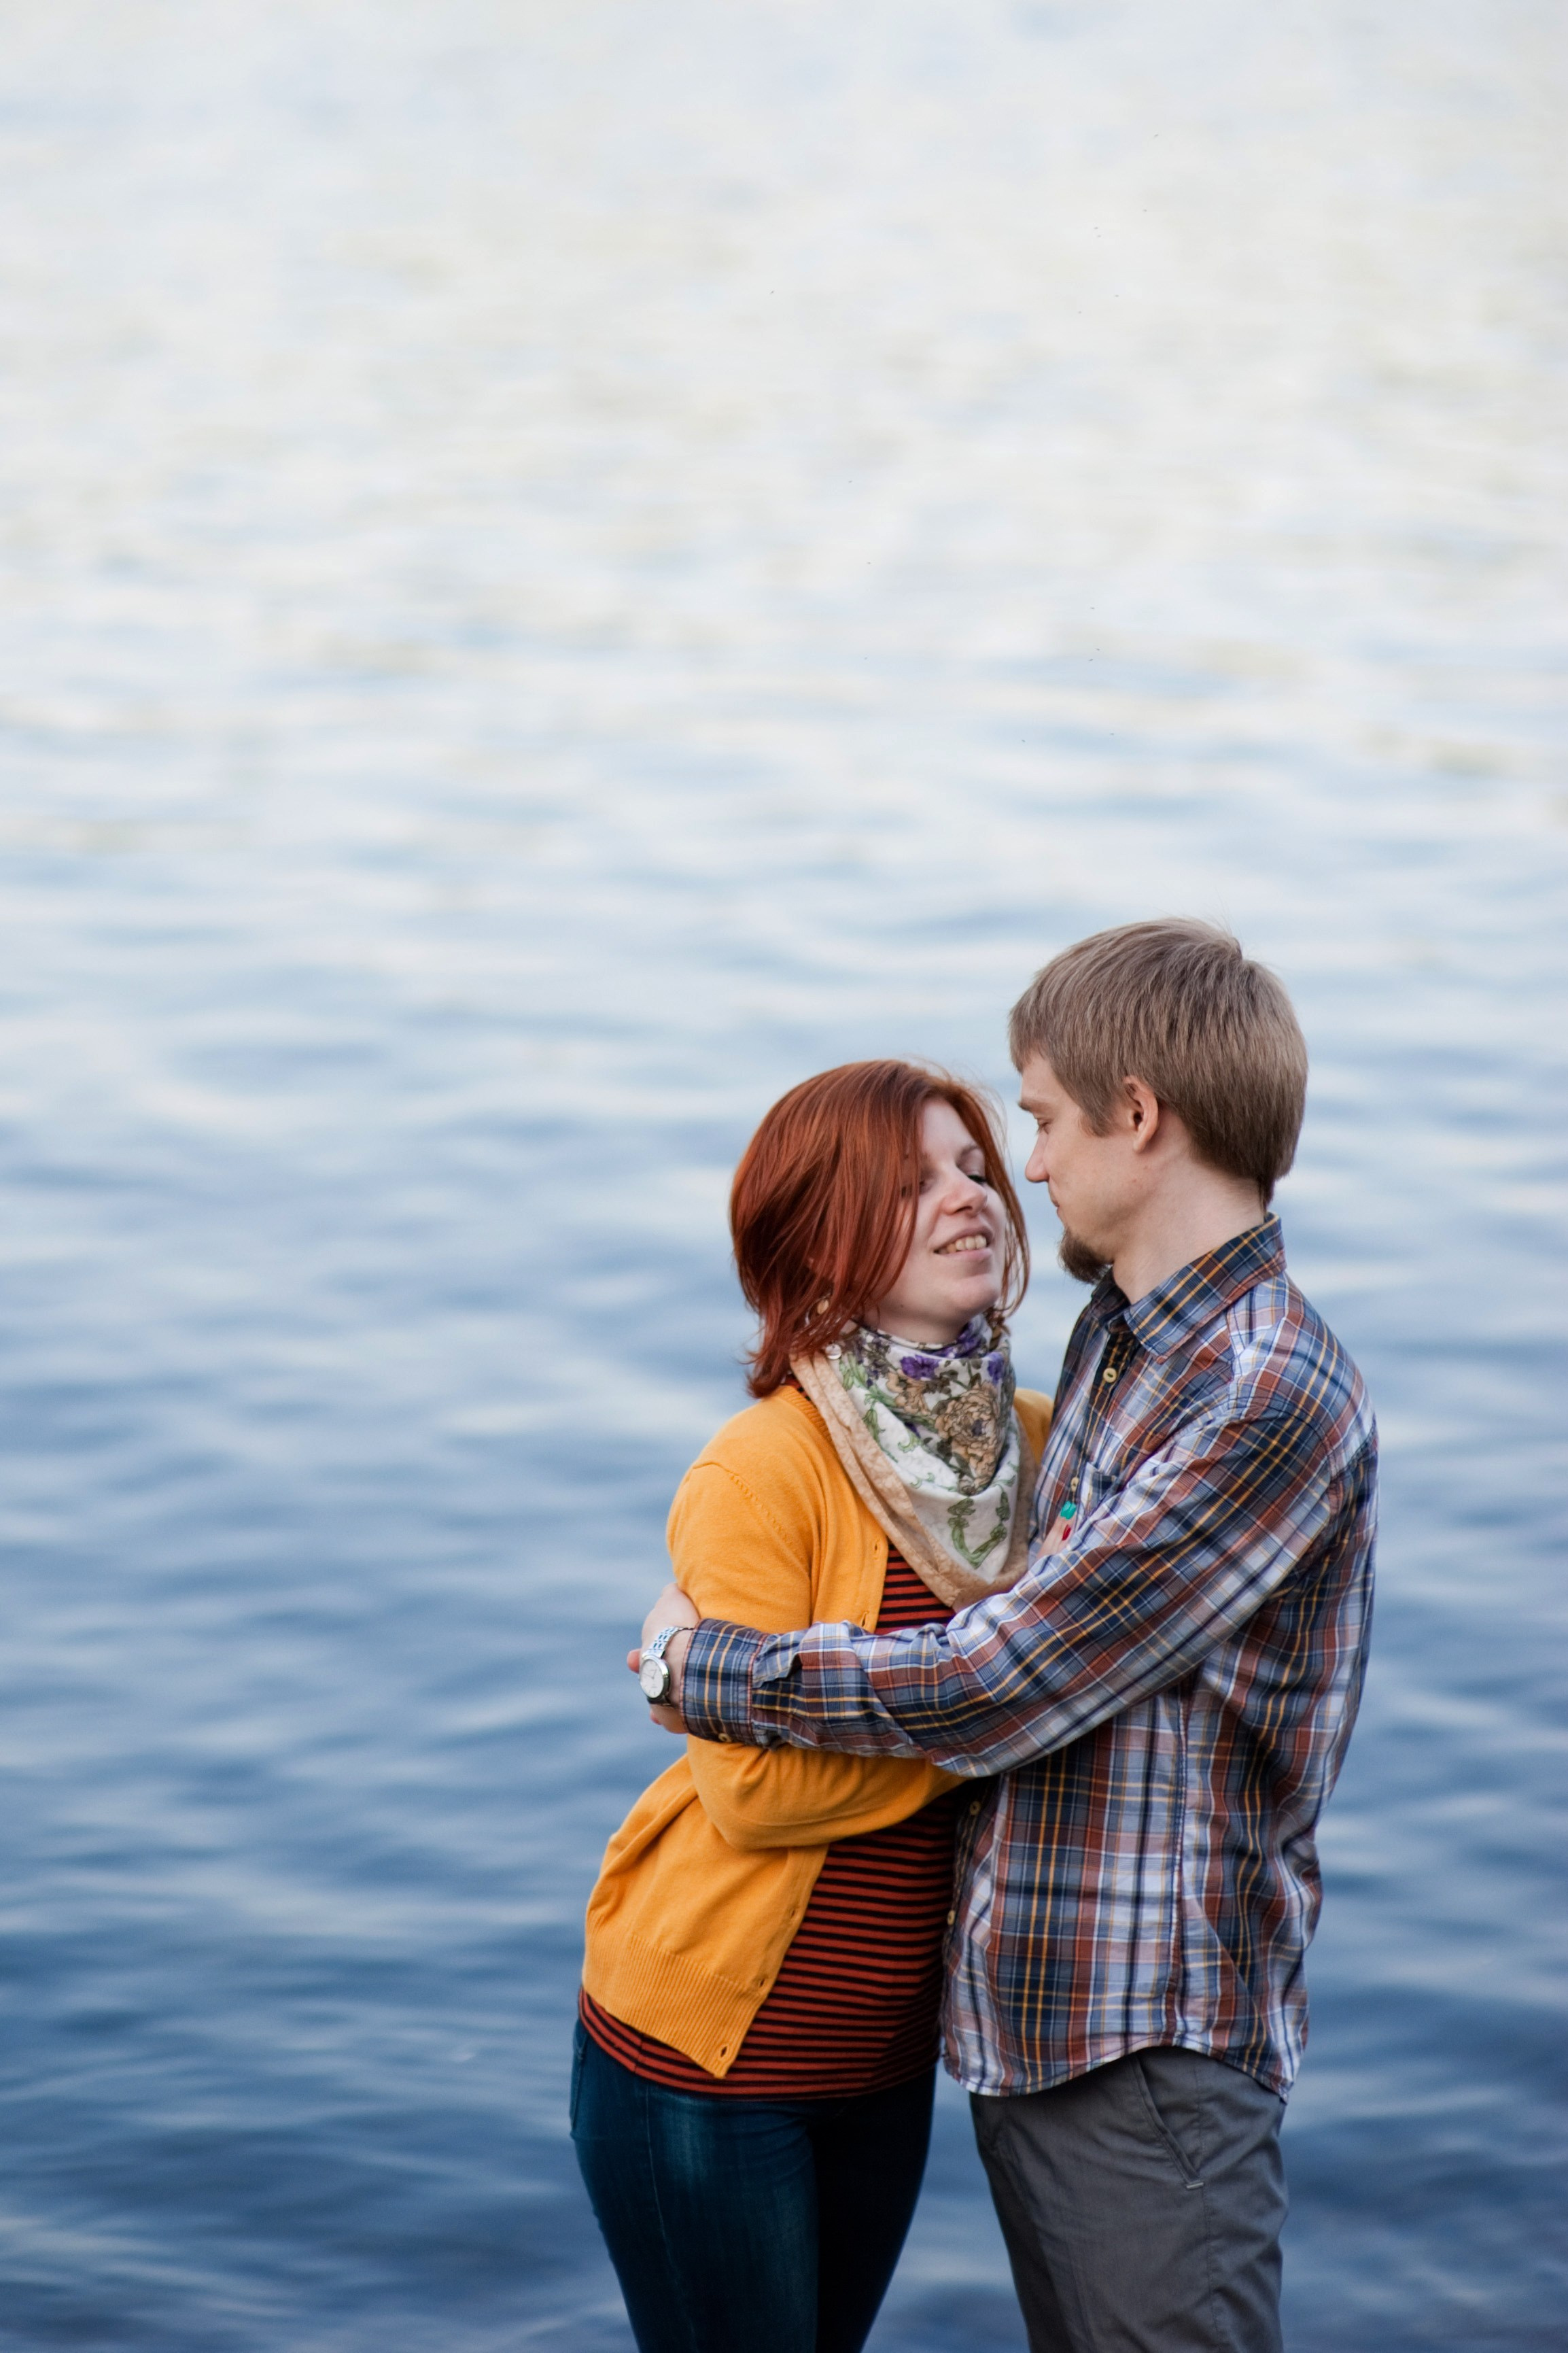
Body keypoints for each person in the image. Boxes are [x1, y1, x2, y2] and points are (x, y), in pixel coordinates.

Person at [636, 921, 1378, 2353]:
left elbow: (1001, 1684)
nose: (1021, 1168)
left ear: (1136, 1116)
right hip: (1026, 2027)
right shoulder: (1120, 1339)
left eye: (1027, 1123)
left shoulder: (1259, 1394)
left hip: (1141, 2038)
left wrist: (695, 1669)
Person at [574, 1059, 1054, 2353]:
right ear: (824, 1243)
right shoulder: (763, 1465)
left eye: (973, 1167)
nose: (968, 1199)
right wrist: (1000, 1725)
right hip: (707, 2064)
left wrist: (955, 1712)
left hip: (885, 2064)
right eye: (909, 1185)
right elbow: (751, 1785)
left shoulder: (1044, 1445)